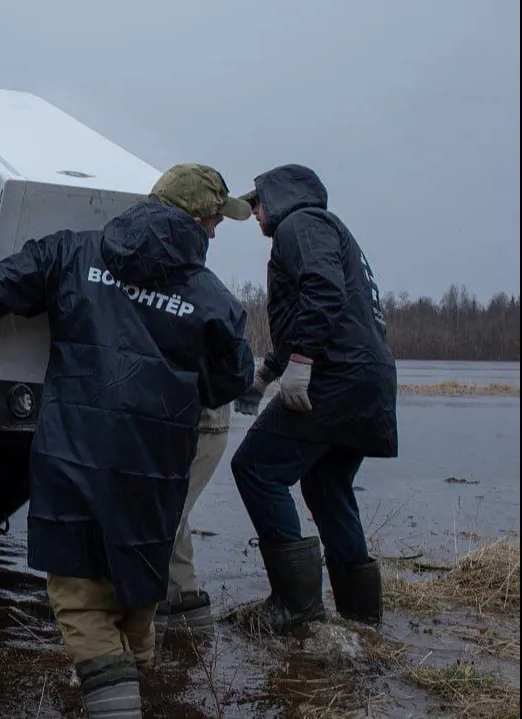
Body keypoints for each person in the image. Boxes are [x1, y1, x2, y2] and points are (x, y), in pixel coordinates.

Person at [0, 164, 255, 718]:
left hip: (74, 458)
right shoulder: (212, 297)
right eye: (214, 223)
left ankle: (116, 705)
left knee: (81, 601)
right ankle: (138, 699)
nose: (213, 234)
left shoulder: (71, 253)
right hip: (155, 471)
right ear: (199, 220)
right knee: (137, 598)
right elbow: (230, 379)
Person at [227, 163, 398, 636]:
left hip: (335, 378)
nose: (255, 212)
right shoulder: (326, 230)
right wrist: (265, 376)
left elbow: (322, 291)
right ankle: (362, 617)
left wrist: (302, 364)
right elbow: (306, 309)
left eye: (258, 202)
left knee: (256, 469)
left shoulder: (301, 225)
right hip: (367, 382)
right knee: (326, 485)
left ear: (280, 197)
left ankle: (296, 607)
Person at [155, 404, 231, 633]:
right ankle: (185, 603)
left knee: (157, 521)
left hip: (193, 426)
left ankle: (140, 629)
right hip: (197, 425)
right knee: (173, 513)